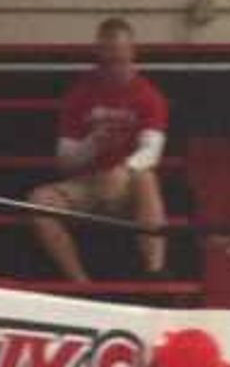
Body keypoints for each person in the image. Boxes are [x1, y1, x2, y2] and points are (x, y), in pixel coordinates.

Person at [31, 17, 171, 282]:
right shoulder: (80, 95)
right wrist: (92, 144)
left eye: (119, 60)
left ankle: (155, 272)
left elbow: (152, 151)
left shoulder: (149, 96)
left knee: (147, 177)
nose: (113, 68)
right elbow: (65, 161)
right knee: (40, 200)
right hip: (89, 183)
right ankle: (80, 282)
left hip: (128, 186)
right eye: (107, 61)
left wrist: (124, 170)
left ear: (132, 53)